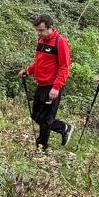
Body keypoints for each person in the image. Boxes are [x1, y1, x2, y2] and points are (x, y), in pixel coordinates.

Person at [20, 14, 73, 150]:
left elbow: (64, 67)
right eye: (38, 30)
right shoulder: (41, 41)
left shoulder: (60, 42)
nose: (39, 33)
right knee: (36, 116)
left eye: (42, 30)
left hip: (53, 86)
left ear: (50, 28)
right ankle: (64, 127)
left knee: (46, 119)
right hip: (41, 84)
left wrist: (56, 87)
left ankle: (41, 147)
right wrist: (28, 70)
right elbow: (39, 62)